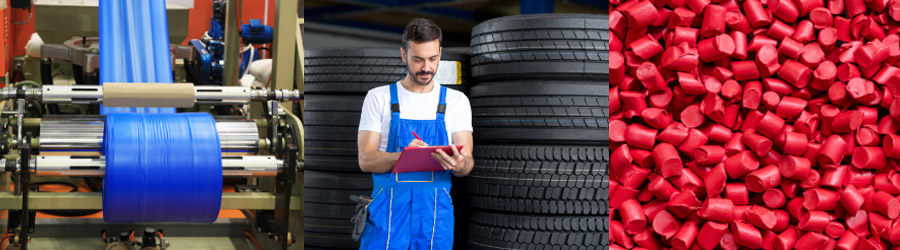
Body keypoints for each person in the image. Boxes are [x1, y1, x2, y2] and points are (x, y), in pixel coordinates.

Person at [356, 17, 474, 249]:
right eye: (418, 59)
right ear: (404, 55)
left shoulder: (456, 101)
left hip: (435, 213)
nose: (426, 68)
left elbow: (467, 162)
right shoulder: (379, 98)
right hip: (388, 209)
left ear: (440, 53)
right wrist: (404, 156)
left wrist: (459, 164)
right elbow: (365, 160)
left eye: (432, 59)